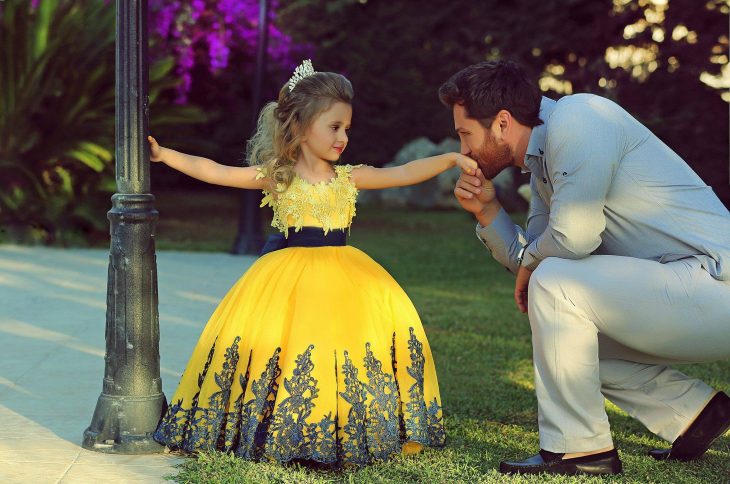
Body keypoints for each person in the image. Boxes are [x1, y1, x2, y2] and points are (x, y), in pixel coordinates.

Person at [149, 60, 477, 467]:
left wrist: (449, 159)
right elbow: (216, 171)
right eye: (334, 127)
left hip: (346, 277)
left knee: (346, 346)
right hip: (286, 278)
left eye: (347, 129)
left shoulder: (349, 178)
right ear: (302, 127)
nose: (343, 137)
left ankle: (349, 426)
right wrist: (165, 155)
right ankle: (280, 427)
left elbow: (404, 172)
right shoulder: (278, 176)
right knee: (289, 349)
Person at [439, 59, 730, 476]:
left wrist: (537, 266)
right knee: (562, 329)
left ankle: (579, 449)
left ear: (502, 122)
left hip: (716, 281)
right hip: (685, 292)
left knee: (557, 283)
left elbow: (574, 237)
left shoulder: (578, 118)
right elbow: (537, 260)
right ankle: (696, 414)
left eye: (466, 134)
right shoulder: (542, 162)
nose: (463, 150)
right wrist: (488, 212)